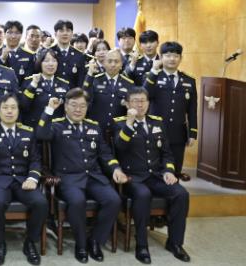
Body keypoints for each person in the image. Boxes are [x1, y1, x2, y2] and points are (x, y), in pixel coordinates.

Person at [36, 88, 125, 263]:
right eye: (74, 105)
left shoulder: (94, 127)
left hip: (94, 177)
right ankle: (81, 244)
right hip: (69, 179)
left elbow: (105, 154)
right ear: (66, 107)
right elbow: (41, 134)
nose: (78, 109)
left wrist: (116, 168)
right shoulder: (57, 126)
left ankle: (95, 241)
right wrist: (49, 109)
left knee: (113, 200)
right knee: (77, 202)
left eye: (82, 106)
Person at [113, 87, 191, 263]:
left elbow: (167, 153)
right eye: (135, 101)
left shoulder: (157, 123)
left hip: (156, 176)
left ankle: (175, 243)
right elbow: (119, 147)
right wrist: (129, 124)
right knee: (143, 194)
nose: (139, 105)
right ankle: (141, 245)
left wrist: (169, 171)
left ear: (148, 103)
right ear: (127, 104)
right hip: (133, 178)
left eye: (143, 101)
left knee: (181, 194)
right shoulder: (119, 124)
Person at [0, 94, 48, 266]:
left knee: (41, 203)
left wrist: (33, 177)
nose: (9, 111)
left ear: (18, 110)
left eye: (13, 107)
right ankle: (0, 244)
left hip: (23, 180)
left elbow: (35, 160)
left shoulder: (28, 132)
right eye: (5, 108)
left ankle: (30, 242)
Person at [143, 42, 197, 181]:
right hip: (155, 131)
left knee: (175, 168)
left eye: (175, 56)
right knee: (154, 168)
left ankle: (174, 189)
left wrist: (192, 133)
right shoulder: (152, 76)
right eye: (167, 55)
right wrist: (154, 72)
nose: (172, 59)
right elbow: (144, 95)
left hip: (178, 133)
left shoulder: (189, 81)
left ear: (180, 58)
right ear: (161, 57)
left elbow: (192, 109)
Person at [83, 49, 135, 141]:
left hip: (118, 131)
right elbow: (84, 97)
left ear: (121, 64)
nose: (113, 64)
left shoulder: (129, 84)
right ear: (103, 63)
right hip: (97, 129)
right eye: (109, 61)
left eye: (116, 61)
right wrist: (89, 74)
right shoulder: (94, 80)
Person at [19, 48, 70, 128]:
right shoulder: (30, 81)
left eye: (54, 61)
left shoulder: (64, 84)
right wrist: (33, 85)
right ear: (40, 63)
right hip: (34, 127)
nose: (51, 64)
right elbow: (23, 105)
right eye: (46, 61)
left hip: (56, 129)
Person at [47, 19, 87, 88]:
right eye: (61, 31)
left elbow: (80, 81)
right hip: (52, 92)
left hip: (72, 93)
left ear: (72, 34)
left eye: (68, 30)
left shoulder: (79, 55)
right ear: (55, 34)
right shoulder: (48, 52)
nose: (65, 33)